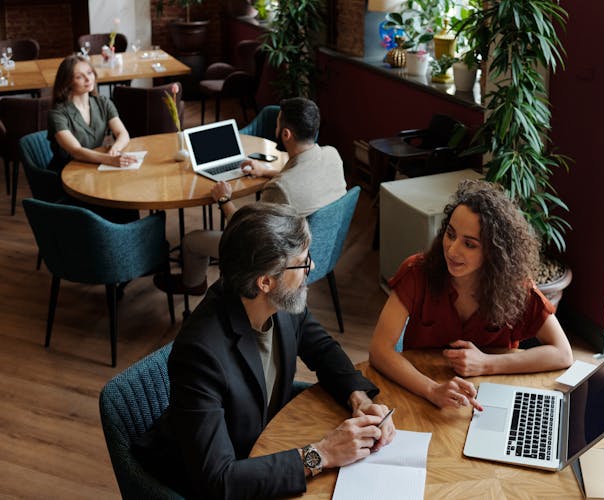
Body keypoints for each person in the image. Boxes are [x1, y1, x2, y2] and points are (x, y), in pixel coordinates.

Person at [135, 202, 395, 498]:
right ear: (266, 281)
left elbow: (322, 349)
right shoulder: (200, 355)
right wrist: (320, 455)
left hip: (264, 447)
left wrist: (357, 397)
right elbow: (218, 480)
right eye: (302, 261)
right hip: (212, 478)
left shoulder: (281, 301)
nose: (311, 266)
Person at [369, 179, 574, 410]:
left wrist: (487, 363)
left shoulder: (516, 287)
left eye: (469, 244)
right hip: (422, 394)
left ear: (494, 252)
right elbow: (379, 350)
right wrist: (431, 389)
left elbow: (563, 353)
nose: (452, 250)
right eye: (450, 234)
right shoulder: (417, 272)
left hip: (491, 401)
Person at [154, 97, 346, 296]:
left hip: (278, 264)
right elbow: (305, 178)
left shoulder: (281, 189)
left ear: (286, 134)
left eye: (277, 124)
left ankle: (192, 284)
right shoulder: (333, 156)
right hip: (319, 254)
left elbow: (246, 233)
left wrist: (224, 199)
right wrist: (267, 171)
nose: (276, 128)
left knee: (192, 241)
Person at [47, 54, 137, 173]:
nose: (88, 79)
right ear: (67, 82)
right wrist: (110, 159)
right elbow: (76, 151)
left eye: (89, 73)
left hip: (93, 166)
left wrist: (115, 150)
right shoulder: (57, 113)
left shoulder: (103, 102)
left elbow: (123, 133)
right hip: (66, 173)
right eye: (79, 77)